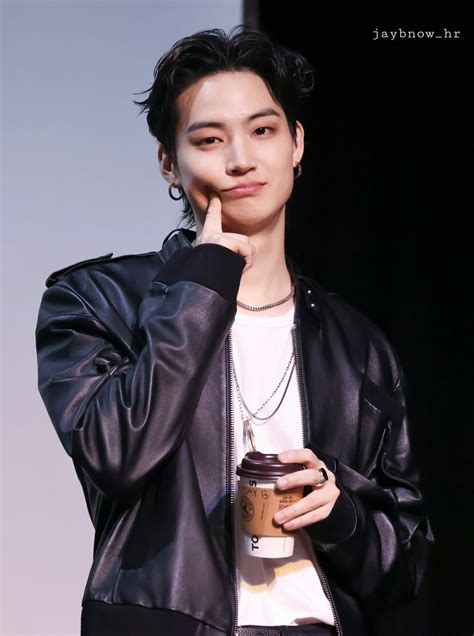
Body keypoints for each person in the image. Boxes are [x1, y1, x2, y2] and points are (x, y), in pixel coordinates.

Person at [35, 25, 435, 636]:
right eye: (209, 139)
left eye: (263, 131)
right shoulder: (97, 301)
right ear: (170, 163)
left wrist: (343, 516)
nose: (240, 159)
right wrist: (205, 281)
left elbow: (407, 565)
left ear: (297, 143)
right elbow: (117, 456)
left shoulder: (358, 347)